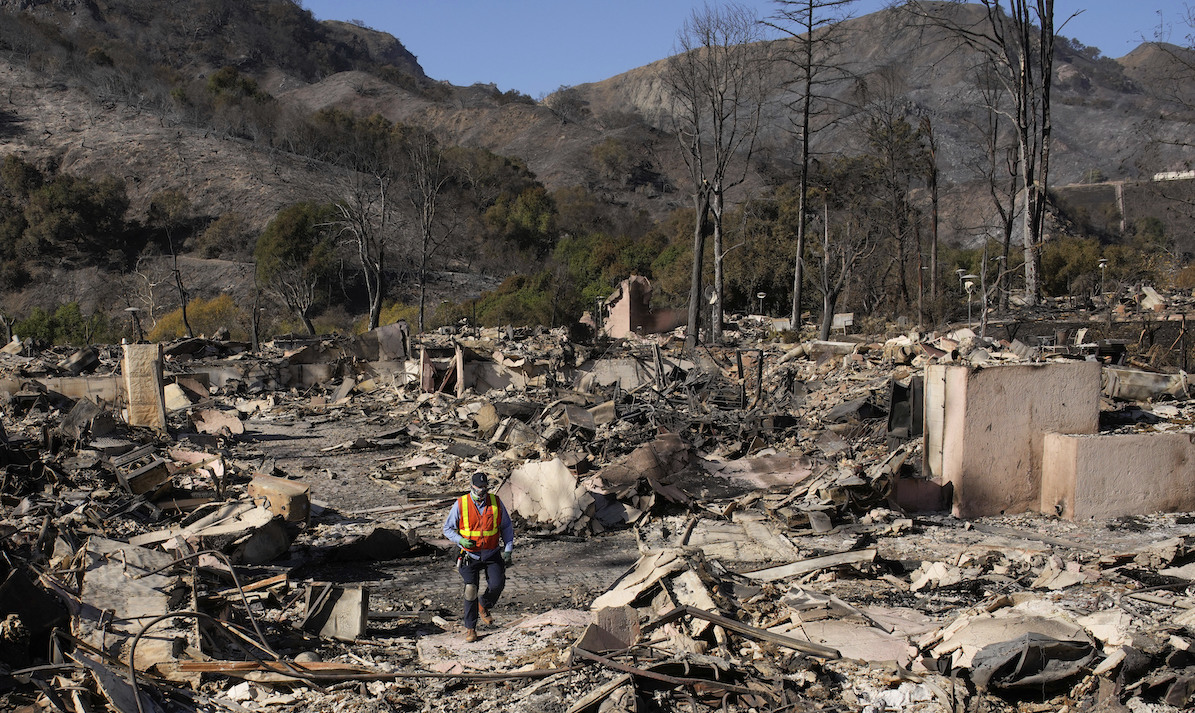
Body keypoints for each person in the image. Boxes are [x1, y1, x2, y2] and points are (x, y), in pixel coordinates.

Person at [441, 471, 514, 642]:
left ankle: (484, 604)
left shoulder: (495, 502)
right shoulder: (461, 504)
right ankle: (470, 629)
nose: (482, 491)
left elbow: (506, 527)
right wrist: (461, 541)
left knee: (497, 584)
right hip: (469, 555)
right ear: (471, 487)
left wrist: (508, 549)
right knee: (470, 590)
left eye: (484, 487)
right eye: (478, 487)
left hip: (491, 552)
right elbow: (447, 529)